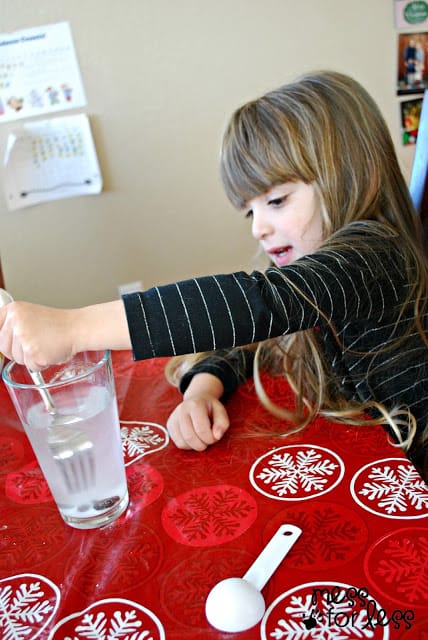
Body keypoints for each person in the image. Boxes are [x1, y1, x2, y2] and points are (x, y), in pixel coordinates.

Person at [0, 71, 427, 479]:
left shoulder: (376, 255)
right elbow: (255, 342)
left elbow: (258, 305)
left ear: (354, 175)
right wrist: (202, 389)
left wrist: (73, 327)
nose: (258, 227)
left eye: (276, 201)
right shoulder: (318, 281)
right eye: (250, 211)